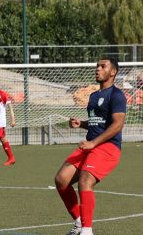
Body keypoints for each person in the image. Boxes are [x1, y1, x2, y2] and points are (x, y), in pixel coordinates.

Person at [54, 57, 126, 235]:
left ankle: (87, 231)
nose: (98, 69)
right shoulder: (94, 96)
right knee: (61, 180)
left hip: (108, 147)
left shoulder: (117, 95)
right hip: (90, 146)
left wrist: (94, 142)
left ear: (113, 72)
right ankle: (79, 223)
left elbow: (117, 124)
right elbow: (98, 122)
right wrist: (82, 123)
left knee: (86, 180)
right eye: (97, 66)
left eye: (103, 66)